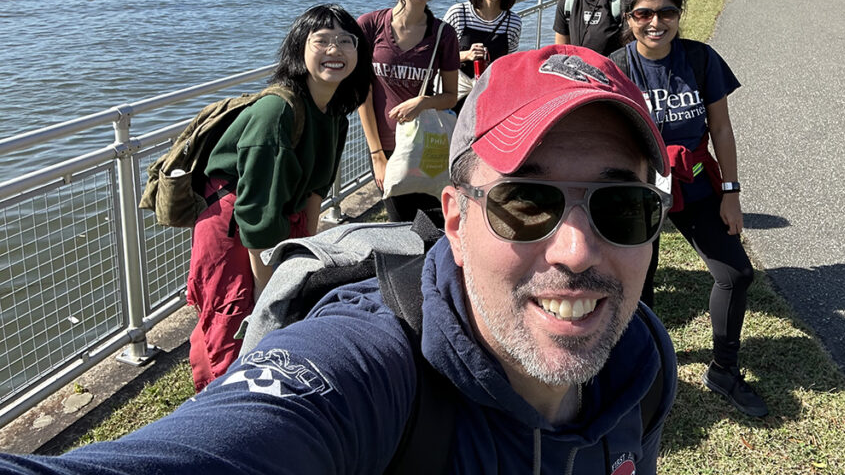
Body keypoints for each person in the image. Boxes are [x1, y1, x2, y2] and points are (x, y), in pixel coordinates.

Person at [0, 46, 678, 474]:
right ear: (454, 219)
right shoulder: (366, 373)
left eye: (623, 206)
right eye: (526, 203)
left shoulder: (641, 367)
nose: (579, 248)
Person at [187, 3, 372, 391]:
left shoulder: (335, 110)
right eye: (321, 41)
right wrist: (268, 289)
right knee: (236, 320)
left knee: (279, 311)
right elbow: (257, 215)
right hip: (236, 223)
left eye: (345, 41)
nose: (334, 50)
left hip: (281, 214)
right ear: (299, 49)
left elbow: (317, 189)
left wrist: (303, 258)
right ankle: (218, 404)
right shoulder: (277, 111)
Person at [609, 0, 767, 418]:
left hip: (696, 182)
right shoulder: (615, 67)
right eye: (643, 14)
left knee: (735, 274)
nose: (655, 22)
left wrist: (731, 193)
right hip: (640, 188)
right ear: (629, 18)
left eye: (666, 12)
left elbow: (721, 128)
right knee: (640, 284)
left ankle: (723, 369)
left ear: (679, 15)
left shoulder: (699, 59)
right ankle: (643, 369)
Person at [357, 0, 460, 223]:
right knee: (399, 224)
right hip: (386, 148)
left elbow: (451, 96)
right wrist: (377, 153)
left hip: (425, 145)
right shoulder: (370, 25)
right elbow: (361, 93)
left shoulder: (444, 35)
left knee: (431, 224)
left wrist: (423, 101)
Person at [442, 0, 522, 111]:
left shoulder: (513, 23)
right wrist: (467, 55)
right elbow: (437, 56)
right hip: (454, 100)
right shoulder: (459, 13)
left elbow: (509, 66)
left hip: (490, 102)